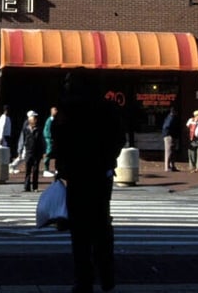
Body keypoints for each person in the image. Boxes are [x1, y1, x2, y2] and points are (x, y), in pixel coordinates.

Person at [53, 71, 126, 293]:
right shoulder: (108, 108)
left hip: (77, 174)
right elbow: (119, 138)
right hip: (101, 173)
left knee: (79, 231)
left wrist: (63, 167)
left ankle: (83, 279)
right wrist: (108, 159)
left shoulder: (67, 110)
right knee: (102, 225)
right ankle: (106, 275)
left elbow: (59, 139)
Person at [20, 110, 46, 192]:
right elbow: (22, 140)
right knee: (27, 170)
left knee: (35, 170)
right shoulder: (26, 129)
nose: (35, 120)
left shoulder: (39, 129)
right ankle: (26, 187)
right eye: (33, 119)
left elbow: (42, 141)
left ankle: (35, 187)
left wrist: (44, 151)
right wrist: (20, 150)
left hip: (37, 152)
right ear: (30, 121)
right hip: (28, 151)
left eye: (35, 119)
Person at [162, 106, 180, 172]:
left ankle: (172, 166)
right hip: (169, 136)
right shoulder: (171, 118)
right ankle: (167, 167)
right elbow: (166, 126)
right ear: (174, 112)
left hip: (171, 135)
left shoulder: (171, 117)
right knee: (169, 151)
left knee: (172, 151)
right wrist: (169, 134)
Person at [42, 105, 58, 176]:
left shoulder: (54, 119)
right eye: (55, 110)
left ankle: (56, 169)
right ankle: (46, 169)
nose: (56, 111)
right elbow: (46, 131)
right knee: (48, 152)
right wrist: (50, 138)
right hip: (49, 139)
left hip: (52, 139)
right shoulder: (50, 120)